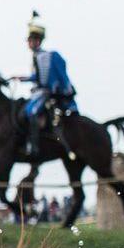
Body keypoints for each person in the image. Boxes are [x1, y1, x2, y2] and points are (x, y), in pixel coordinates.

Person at [15, 16, 77, 159]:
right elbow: (36, 76)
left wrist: (25, 79)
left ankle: (34, 146)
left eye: (32, 40)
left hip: (46, 92)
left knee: (32, 111)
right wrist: (22, 78)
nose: (30, 43)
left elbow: (44, 78)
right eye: (29, 40)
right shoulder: (37, 56)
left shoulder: (46, 56)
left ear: (38, 41)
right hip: (38, 92)